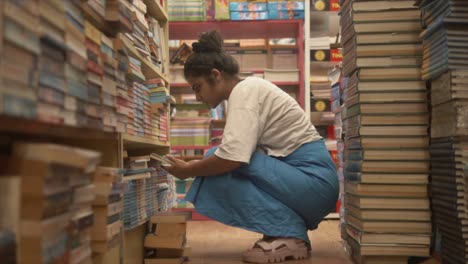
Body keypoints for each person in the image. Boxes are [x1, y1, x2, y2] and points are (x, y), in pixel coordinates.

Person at [162, 30, 339, 263]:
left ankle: (289, 233)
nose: (197, 97)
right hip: (311, 184)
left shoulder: (244, 92)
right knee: (217, 160)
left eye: (197, 87)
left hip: (314, 183)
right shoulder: (248, 89)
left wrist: (188, 169)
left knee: (218, 157)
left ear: (215, 75)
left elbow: (233, 158)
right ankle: (284, 231)